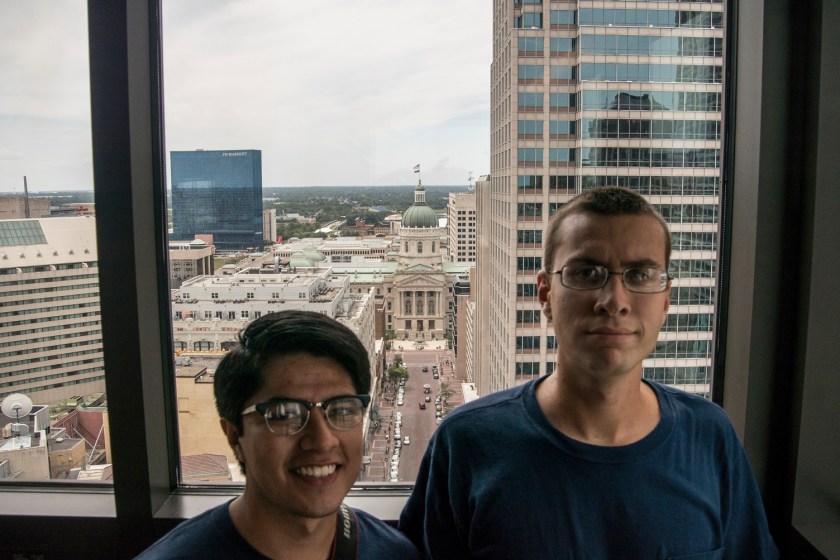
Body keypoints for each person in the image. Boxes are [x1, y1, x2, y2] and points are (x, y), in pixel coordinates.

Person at [399, 187, 778, 559]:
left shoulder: (710, 437)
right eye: (586, 272)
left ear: (666, 300)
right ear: (545, 294)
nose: (614, 301)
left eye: (640, 274)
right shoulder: (466, 443)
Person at [137, 310, 419, 560]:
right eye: (285, 414)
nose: (322, 440)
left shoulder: (395, 553)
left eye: (342, 410)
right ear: (234, 436)